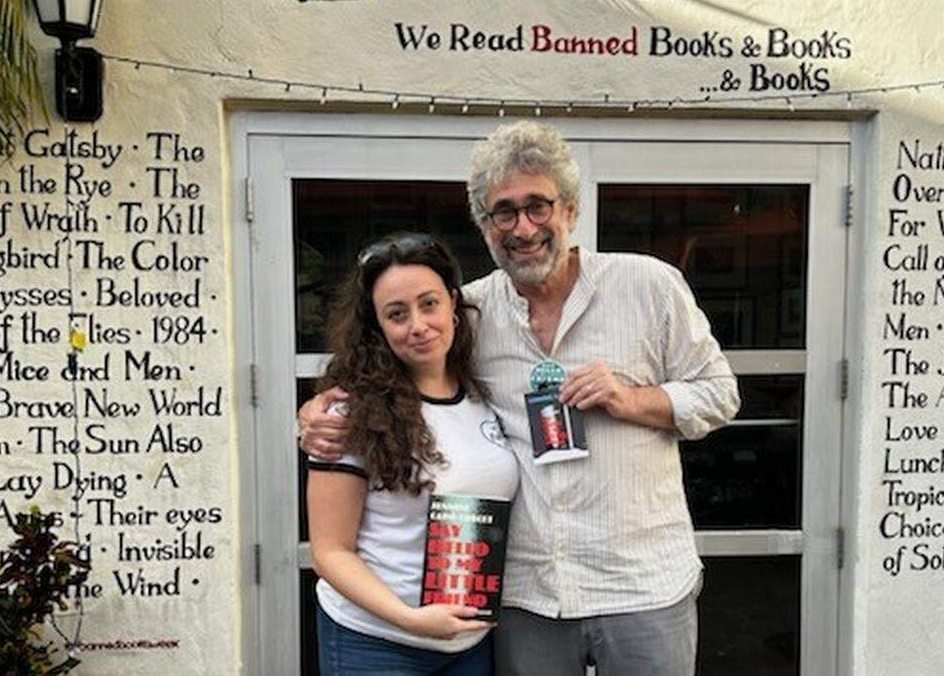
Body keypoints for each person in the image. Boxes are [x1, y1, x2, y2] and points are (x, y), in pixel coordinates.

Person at [303, 122, 740, 676]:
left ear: (571, 210)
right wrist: (318, 412)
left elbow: (720, 394)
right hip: (527, 596)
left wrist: (630, 399)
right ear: (485, 227)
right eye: (503, 213)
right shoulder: (469, 313)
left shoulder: (649, 286)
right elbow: (390, 370)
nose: (523, 227)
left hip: (640, 583)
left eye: (538, 205)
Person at [307, 232, 519, 675]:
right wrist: (410, 618)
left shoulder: (483, 394)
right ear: (378, 327)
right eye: (397, 314)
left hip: (468, 642)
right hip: (376, 641)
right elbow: (329, 552)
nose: (418, 325)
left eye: (429, 304)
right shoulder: (350, 414)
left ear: (453, 304)